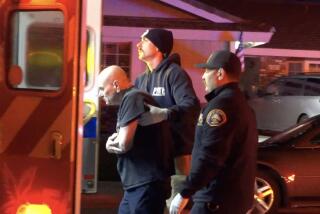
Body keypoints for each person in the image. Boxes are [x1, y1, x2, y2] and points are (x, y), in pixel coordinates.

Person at [169, 50, 258, 214]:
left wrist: (185, 192)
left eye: (206, 71)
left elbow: (211, 156)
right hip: (234, 199)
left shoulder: (220, 107)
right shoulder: (243, 106)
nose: (203, 76)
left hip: (215, 200)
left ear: (220, 73)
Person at [135, 28, 200, 206]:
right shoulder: (141, 80)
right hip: (153, 156)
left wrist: (165, 114)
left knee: (173, 207)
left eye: (144, 40)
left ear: (158, 47)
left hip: (176, 154)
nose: (138, 44)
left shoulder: (175, 74)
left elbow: (191, 107)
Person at [98, 65, 174, 214]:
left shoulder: (132, 98)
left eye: (101, 88)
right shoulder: (133, 98)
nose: (100, 94)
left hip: (145, 185)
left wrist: (109, 144)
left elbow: (124, 143)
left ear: (116, 85)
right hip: (139, 185)